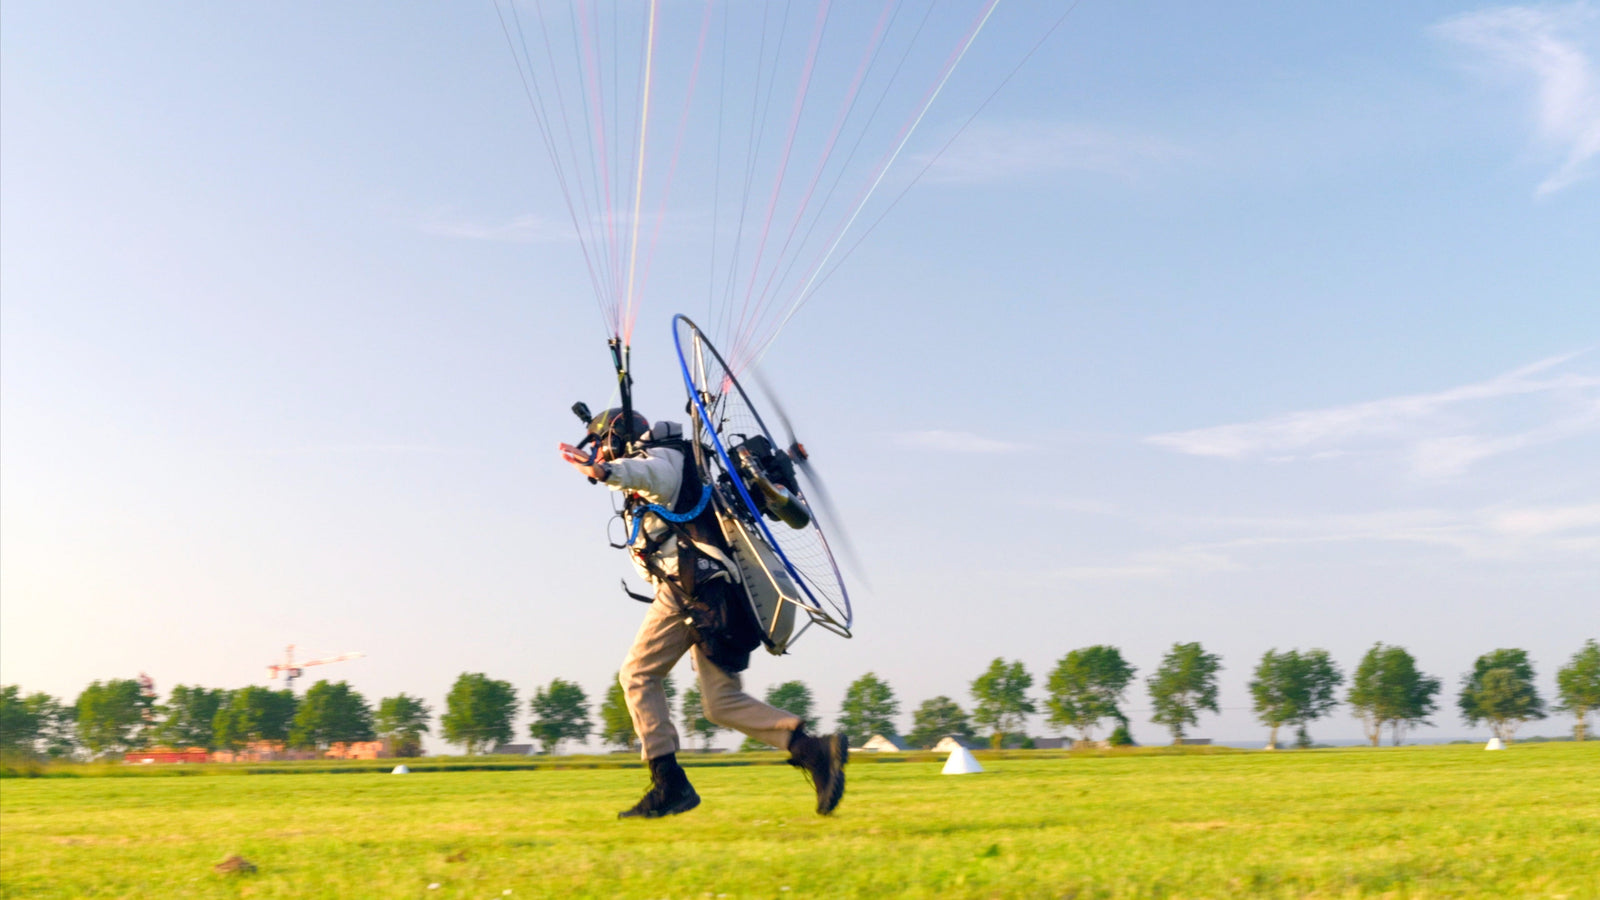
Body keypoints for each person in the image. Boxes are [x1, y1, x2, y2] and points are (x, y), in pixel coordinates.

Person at [559, 407, 848, 819]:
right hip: (713, 595)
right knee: (721, 703)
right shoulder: (675, 462)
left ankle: (669, 783)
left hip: (690, 585)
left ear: (617, 437)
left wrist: (606, 473)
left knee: (637, 675)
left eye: (603, 445)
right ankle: (814, 750)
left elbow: (649, 475)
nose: (601, 453)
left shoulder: (663, 458)